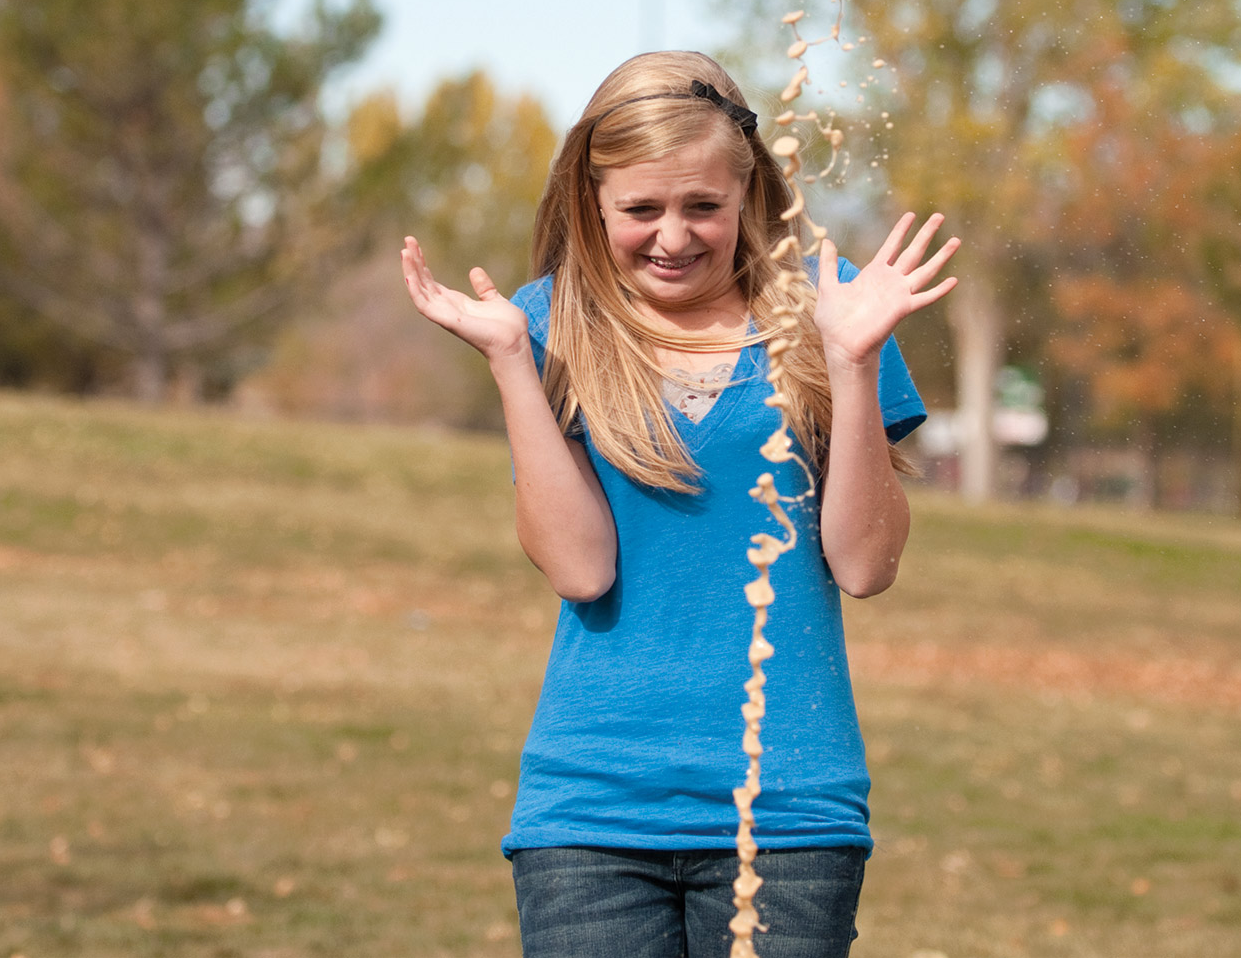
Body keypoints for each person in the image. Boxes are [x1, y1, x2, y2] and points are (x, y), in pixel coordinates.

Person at [401, 51, 958, 958]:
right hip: (588, 811)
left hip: (788, 813)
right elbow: (580, 568)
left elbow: (865, 566)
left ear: (749, 194)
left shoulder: (829, 314)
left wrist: (852, 365)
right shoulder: (549, 325)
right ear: (593, 201)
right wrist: (512, 364)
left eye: (703, 206)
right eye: (641, 210)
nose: (674, 236)